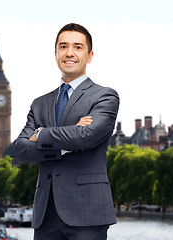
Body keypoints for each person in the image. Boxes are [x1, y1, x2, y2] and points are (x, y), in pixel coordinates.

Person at [14, 23, 119, 239]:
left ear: (89, 56)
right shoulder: (39, 104)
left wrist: (41, 134)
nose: (69, 53)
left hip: (88, 212)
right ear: (55, 54)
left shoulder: (105, 96)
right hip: (46, 214)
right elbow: (21, 150)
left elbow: (86, 137)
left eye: (77, 47)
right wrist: (63, 147)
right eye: (63, 47)